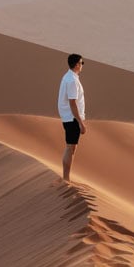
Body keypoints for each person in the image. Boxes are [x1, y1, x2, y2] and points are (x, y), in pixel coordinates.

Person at [57, 53, 86, 182]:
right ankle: (66, 178)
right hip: (72, 118)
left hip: (68, 117)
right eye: (81, 62)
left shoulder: (69, 77)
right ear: (76, 65)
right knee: (70, 147)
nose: (82, 65)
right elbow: (72, 102)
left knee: (71, 147)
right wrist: (80, 122)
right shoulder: (72, 80)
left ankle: (66, 177)